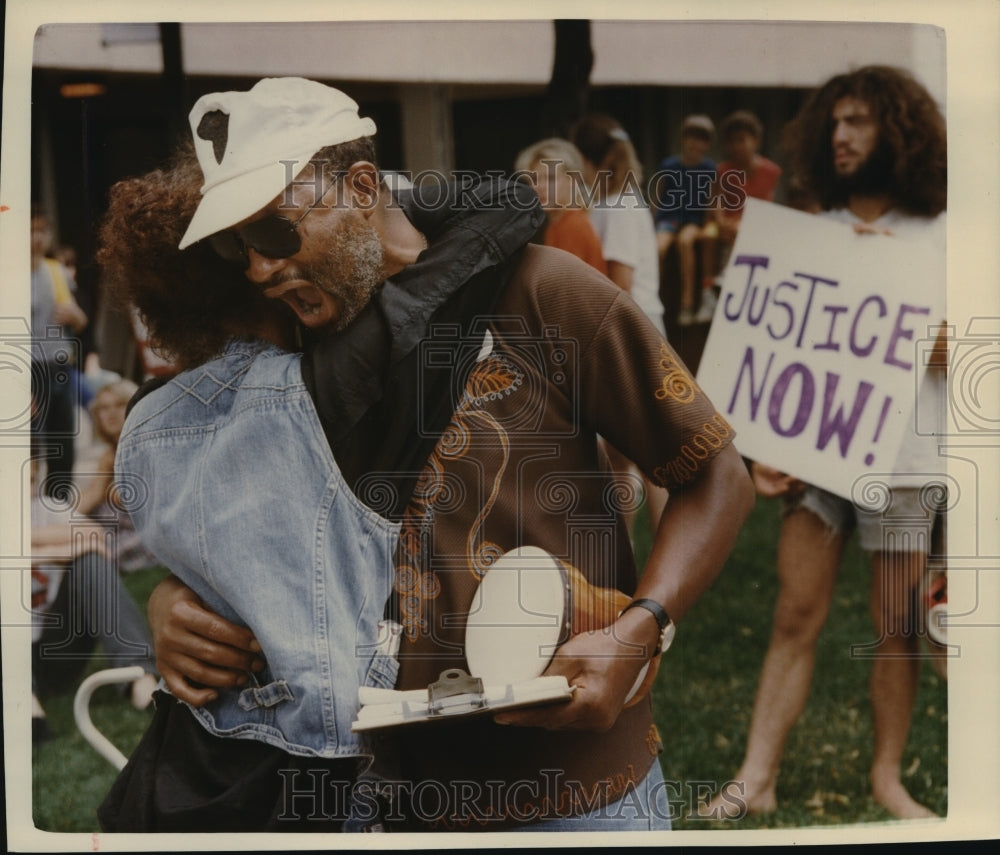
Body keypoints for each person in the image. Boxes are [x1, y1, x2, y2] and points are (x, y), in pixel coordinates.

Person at [107, 77, 755, 832]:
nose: (256, 267)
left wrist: (642, 627)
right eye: (234, 245)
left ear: (357, 186)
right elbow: (254, 545)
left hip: (575, 793)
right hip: (385, 806)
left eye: (276, 232)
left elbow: (716, 474)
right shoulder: (286, 360)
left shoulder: (547, 294)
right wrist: (175, 605)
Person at [706, 65, 947, 822]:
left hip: (904, 463)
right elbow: (775, 359)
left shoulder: (945, 235)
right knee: (793, 612)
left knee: (895, 628)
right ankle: (756, 776)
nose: (841, 136)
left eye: (859, 123)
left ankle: (885, 778)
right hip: (821, 459)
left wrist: (920, 321)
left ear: (898, 133)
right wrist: (765, 444)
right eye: (834, 123)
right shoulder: (812, 236)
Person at [569, 114, 670, 533]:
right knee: (619, 458)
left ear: (590, 162)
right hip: (632, 332)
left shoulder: (620, 207)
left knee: (648, 458)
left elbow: (620, 285)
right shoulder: (615, 203)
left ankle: (671, 551)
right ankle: (622, 553)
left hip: (632, 336)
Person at [30, 455, 159, 742]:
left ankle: (140, 679)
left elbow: (94, 537)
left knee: (90, 562)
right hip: (14, 654)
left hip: (55, 648)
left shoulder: (46, 507)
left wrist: (25, 545)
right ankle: (26, 706)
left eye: (27, 476)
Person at [30, 209, 88, 497]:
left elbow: (80, 322)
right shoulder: (10, 272)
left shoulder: (57, 272)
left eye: (42, 230)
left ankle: (59, 499)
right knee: (28, 442)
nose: (37, 238)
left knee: (62, 437)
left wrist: (74, 315)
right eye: (31, 230)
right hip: (26, 368)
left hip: (59, 365)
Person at [704, 110, 782, 300]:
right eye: (731, 141)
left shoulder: (771, 171)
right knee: (708, 233)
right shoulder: (722, 170)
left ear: (756, 141)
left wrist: (740, 222)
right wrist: (722, 221)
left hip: (753, 224)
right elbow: (716, 202)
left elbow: (766, 208)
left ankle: (728, 275)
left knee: (741, 231)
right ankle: (706, 288)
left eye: (741, 139)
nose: (736, 146)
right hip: (725, 224)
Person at [650, 115, 718, 327]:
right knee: (658, 248)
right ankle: (653, 297)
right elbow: (658, 196)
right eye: (691, 137)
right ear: (683, 139)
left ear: (707, 144)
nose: (695, 143)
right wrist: (652, 222)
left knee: (686, 243)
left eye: (701, 139)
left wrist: (708, 223)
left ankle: (686, 304)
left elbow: (712, 198)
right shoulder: (669, 165)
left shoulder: (709, 168)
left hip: (693, 220)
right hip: (670, 217)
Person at [513, 137, 608, 275]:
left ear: (572, 180)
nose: (540, 187)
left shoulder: (573, 225)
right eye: (534, 179)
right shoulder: (557, 223)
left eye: (550, 178)